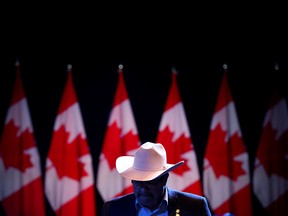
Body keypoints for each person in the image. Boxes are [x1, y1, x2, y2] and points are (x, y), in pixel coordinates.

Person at [101, 141, 212, 216]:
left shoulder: (196, 207)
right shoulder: (112, 209)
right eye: (138, 181)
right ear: (132, 181)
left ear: (164, 179)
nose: (143, 188)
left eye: (150, 181)